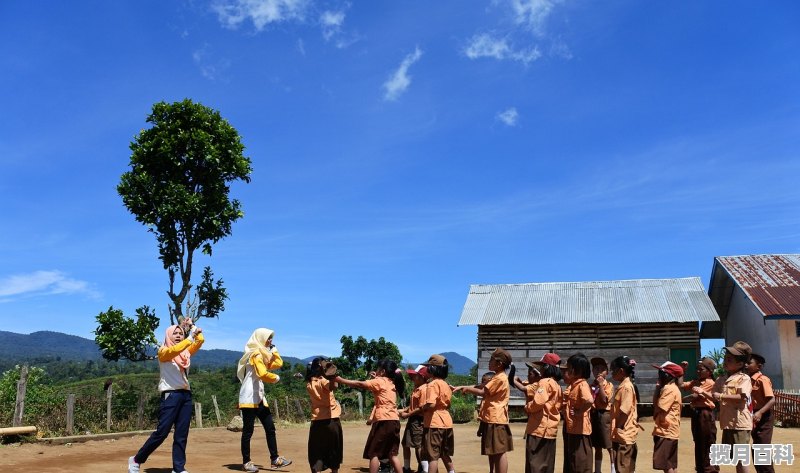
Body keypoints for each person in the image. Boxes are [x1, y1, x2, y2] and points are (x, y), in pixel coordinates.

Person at [128, 320, 204, 473]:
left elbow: (200, 340)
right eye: (174, 333)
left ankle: (178, 468)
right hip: (171, 395)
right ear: (168, 335)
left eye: (180, 333)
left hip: (185, 395)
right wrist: (189, 337)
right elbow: (174, 351)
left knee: (182, 434)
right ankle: (136, 459)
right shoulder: (163, 352)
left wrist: (192, 327)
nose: (178, 335)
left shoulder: (185, 353)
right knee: (162, 432)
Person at [336, 359, 406, 473]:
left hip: (383, 420)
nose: (376, 371)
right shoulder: (392, 382)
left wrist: (340, 380)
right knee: (392, 454)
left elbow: (360, 384)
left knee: (374, 453)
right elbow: (381, 388)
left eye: (378, 369)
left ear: (382, 371)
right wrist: (376, 377)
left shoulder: (379, 381)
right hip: (394, 421)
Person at [237, 328, 292, 472]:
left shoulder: (263, 355)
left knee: (270, 428)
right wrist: (276, 378)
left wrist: (274, 350)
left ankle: (275, 459)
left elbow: (278, 363)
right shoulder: (255, 354)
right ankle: (246, 462)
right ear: (260, 339)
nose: (270, 341)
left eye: (271, 338)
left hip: (259, 398)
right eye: (268, 338)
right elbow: (262, 373)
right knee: (248, 432)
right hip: (249, 398)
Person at [455, 348, 514, 473]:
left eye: (491, 359)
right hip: (494, 418)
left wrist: (467, 389)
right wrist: (462, 387)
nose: (489, 362)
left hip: (495, 419)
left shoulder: (499, 378)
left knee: (499, 452)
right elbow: (481, 386)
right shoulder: (497, 377)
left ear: (499, 363)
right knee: (496, 451)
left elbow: (483, 392)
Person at [703, 341, 753, 473]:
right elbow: (714, 396)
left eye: (729, 360)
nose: (725, 362)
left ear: (740, 364)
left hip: (740, 423)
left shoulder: (744, 378)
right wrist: (702, 393)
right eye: (725, 359)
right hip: (728, 423)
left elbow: (742, 398)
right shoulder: (721, 379)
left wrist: (720, 396)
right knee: (735, 458)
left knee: (741, 459)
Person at [515, 353, 562, 473]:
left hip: (539, 429)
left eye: (542, 366)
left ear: (546, 367)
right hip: (550, 430)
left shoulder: (544, 382)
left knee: (535, 463)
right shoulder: (556, 385)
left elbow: (538, 402)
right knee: (547, 464)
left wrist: (527, 407)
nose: (540, 369)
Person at [680, 357, 719, 473]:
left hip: (705, 414)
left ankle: (710, 469)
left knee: (707, 442)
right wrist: (682, 370)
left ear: (709, 371)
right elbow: (681, 385)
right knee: (699, 442)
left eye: (700, 369)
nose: (697, 371)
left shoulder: (710, 383)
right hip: (697, 414)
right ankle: (701, 468)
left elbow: (695, 396)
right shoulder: (695, 382)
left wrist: (681, 399)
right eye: (697, 369)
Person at [419, 354, 456, 473]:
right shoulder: (446, 385)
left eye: (429, 367)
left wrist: (423, 408)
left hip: (434, 423)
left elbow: (431, 404)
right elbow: (448, 405)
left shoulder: (432, 384)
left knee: (432, 456)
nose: (427, 369)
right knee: (444, 453)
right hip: (447, 422)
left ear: (433, 369)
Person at [306, 357, 343, 473]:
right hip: (331, 420)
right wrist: (333, 375)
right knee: (334, 449)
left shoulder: (309, 382)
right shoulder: (322, 380)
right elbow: (334, 386)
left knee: (316, 451)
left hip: (317, 420)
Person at [563, 353, 593, 473]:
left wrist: (579, 412)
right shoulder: (574, 385)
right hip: (574, 430)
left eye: (570, 368)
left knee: (580, 464)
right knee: (574, 463)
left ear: (577, 370)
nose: (568, 371)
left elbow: (589, 400)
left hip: (580, 432)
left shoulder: (582, 385)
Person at [651, 361, 683, 473]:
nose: (658, 375)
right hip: (669, 431)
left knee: (666, 465)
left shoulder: (669, 389)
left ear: (668, 375)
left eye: (661, 372)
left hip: (666, 431)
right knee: (671, 464)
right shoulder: (670, 388)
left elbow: (658, 407)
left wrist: (657, 389)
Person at [609, 356, 639, 473]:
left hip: (624, 436)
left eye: (613, 370)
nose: (611, 373)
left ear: (621, 371)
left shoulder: (626, 387)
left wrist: (618, 427)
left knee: (623, 469)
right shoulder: (623, 386)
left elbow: (624, 411)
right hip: (620, 435)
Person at [747, 353, 775, 473]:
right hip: (753, 414)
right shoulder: (748, 380)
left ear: (758, 366)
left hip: (763, 415)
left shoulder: (762, 380)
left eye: (750, 363)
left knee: (762, 447)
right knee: (757, 446)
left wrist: (760, 413)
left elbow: (772, 400)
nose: (746, 365)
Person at [399, 365, 430, 473]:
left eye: (415, 376)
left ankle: (425, 470)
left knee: (419, 445)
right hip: (412, 419)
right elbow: (414, 405)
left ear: (421, 377)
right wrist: (404, 410)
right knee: (406, 444)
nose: (412, 378)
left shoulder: (424, 389)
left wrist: (407, 414)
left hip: (418, 420)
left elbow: (421, 408)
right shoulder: (416, 388)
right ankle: (407, 467)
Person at [590, 358, 613, 473]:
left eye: (602, 369)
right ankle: (597, 470)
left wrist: (600, 385)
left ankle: (613, 469)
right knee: (597, 445)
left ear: (607, 372)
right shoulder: (591, 385)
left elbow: (604, 400)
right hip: (594, 415)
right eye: (595, 368)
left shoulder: (608, 385)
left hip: (604, 415)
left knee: (609, 445)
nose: (598, 371)